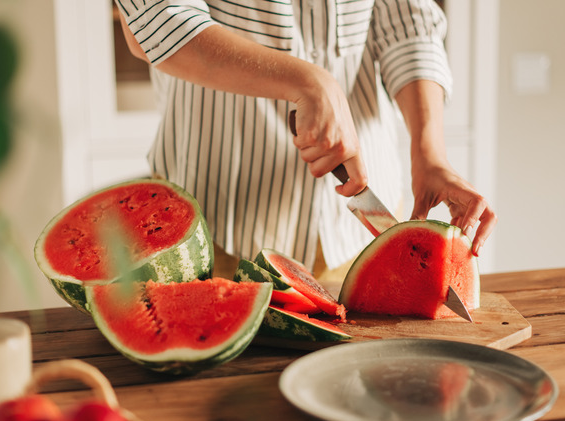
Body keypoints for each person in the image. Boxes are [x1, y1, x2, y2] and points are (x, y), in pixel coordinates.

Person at [115, 0, 496, 279]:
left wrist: (430, 155)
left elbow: (409, 25)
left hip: (357, 232)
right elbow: (155, 19)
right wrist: (310, 82)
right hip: (214, 225)